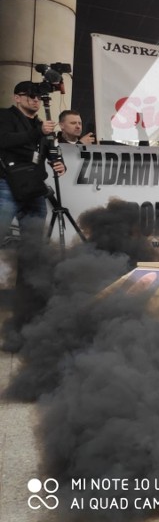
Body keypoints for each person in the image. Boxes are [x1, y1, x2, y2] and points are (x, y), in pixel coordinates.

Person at [0, 81, 67, 351]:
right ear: (17, 98)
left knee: (33, 250)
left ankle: (25, 309)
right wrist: (37, 132)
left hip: (35, 188)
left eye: (39, 97)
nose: (36, 100)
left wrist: (56, 161)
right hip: (7, 183)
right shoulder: (5, 116)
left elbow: (48, 148)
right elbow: (4, 141)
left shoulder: (41, 124)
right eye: (30, 96)